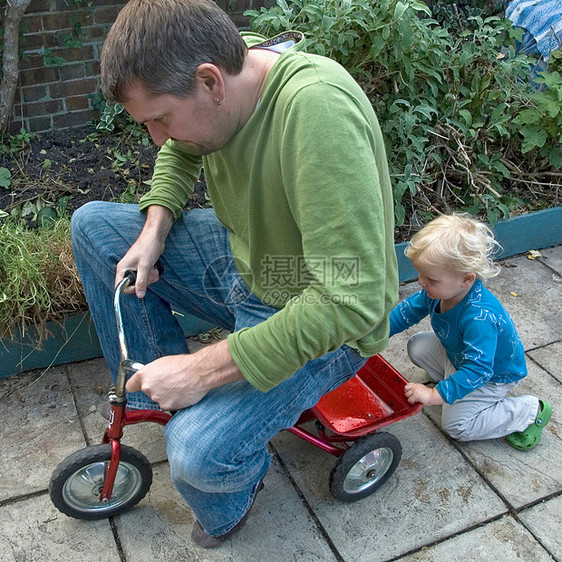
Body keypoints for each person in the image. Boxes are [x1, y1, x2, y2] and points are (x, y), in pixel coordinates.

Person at [71, 0, 398, 548]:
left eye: (160, 119)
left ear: (209, 82)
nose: (156, 138)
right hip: (248, 261)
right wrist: (155, 227)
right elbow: (180, 151)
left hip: (322, 313)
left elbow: (351, 300)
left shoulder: (316, 112)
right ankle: (158, 392)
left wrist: (203, 370)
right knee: (94, 228)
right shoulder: (231, 80)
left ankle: (230, 497)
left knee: (197, 455)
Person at [389, 214, 551, 448]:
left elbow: (478, 370)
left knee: (456, 426)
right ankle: (451, 385)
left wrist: (434, 397)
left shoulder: (479, 318)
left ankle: (527, 411)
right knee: (417, 345)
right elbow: (406, 312)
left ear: (466, 279)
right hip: (460, 356)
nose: (421, 283)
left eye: (430, 279)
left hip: (491, 377)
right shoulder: (438, 291)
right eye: (420, 274)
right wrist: (377, 334)